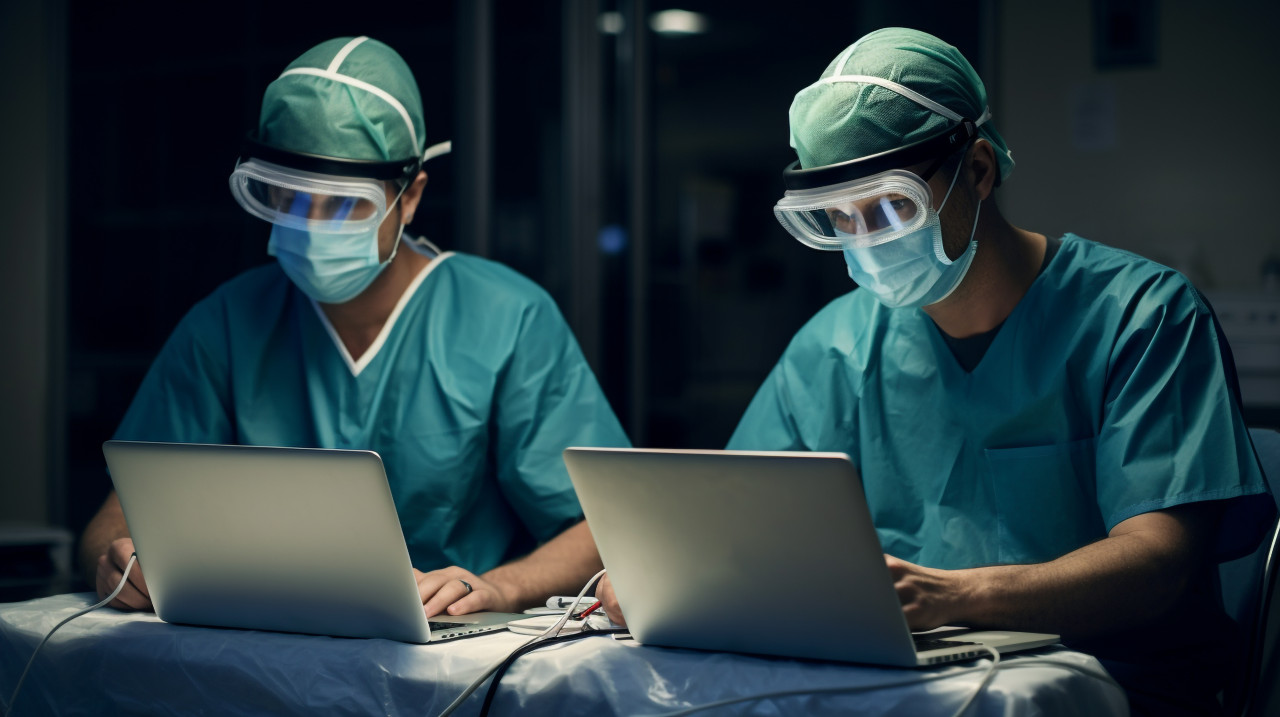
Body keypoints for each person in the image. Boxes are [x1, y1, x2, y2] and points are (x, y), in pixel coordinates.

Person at [600, 28, 1274, 716]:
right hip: (902, 689)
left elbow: (1159, 562)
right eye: (838, 217)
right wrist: (661, 578)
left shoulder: (1140, 316)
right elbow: (731, 525)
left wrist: (956, 596)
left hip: (1118, 690)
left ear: (978, 169)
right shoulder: (835, 345)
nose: (867, 243)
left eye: (891, 207)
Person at [79, 36, 630, 620]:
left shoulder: (505, 319)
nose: (311, 227)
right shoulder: (226, 323)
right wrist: (116, 561)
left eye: (344, 204)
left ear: (410, 196)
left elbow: (604, 524)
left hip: (460, 653)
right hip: (265, 642)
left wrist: (499, 587)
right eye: (287, 198)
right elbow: (116, 518)